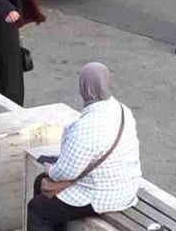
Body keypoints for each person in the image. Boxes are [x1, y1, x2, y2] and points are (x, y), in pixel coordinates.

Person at [26, 63, 143, 231]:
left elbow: (64, 173)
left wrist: (49, 168)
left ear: (84, 88)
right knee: (42, 186)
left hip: (102, 196)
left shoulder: (85, 127)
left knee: (38, 209)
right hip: (128, 188)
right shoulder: (123, 110)